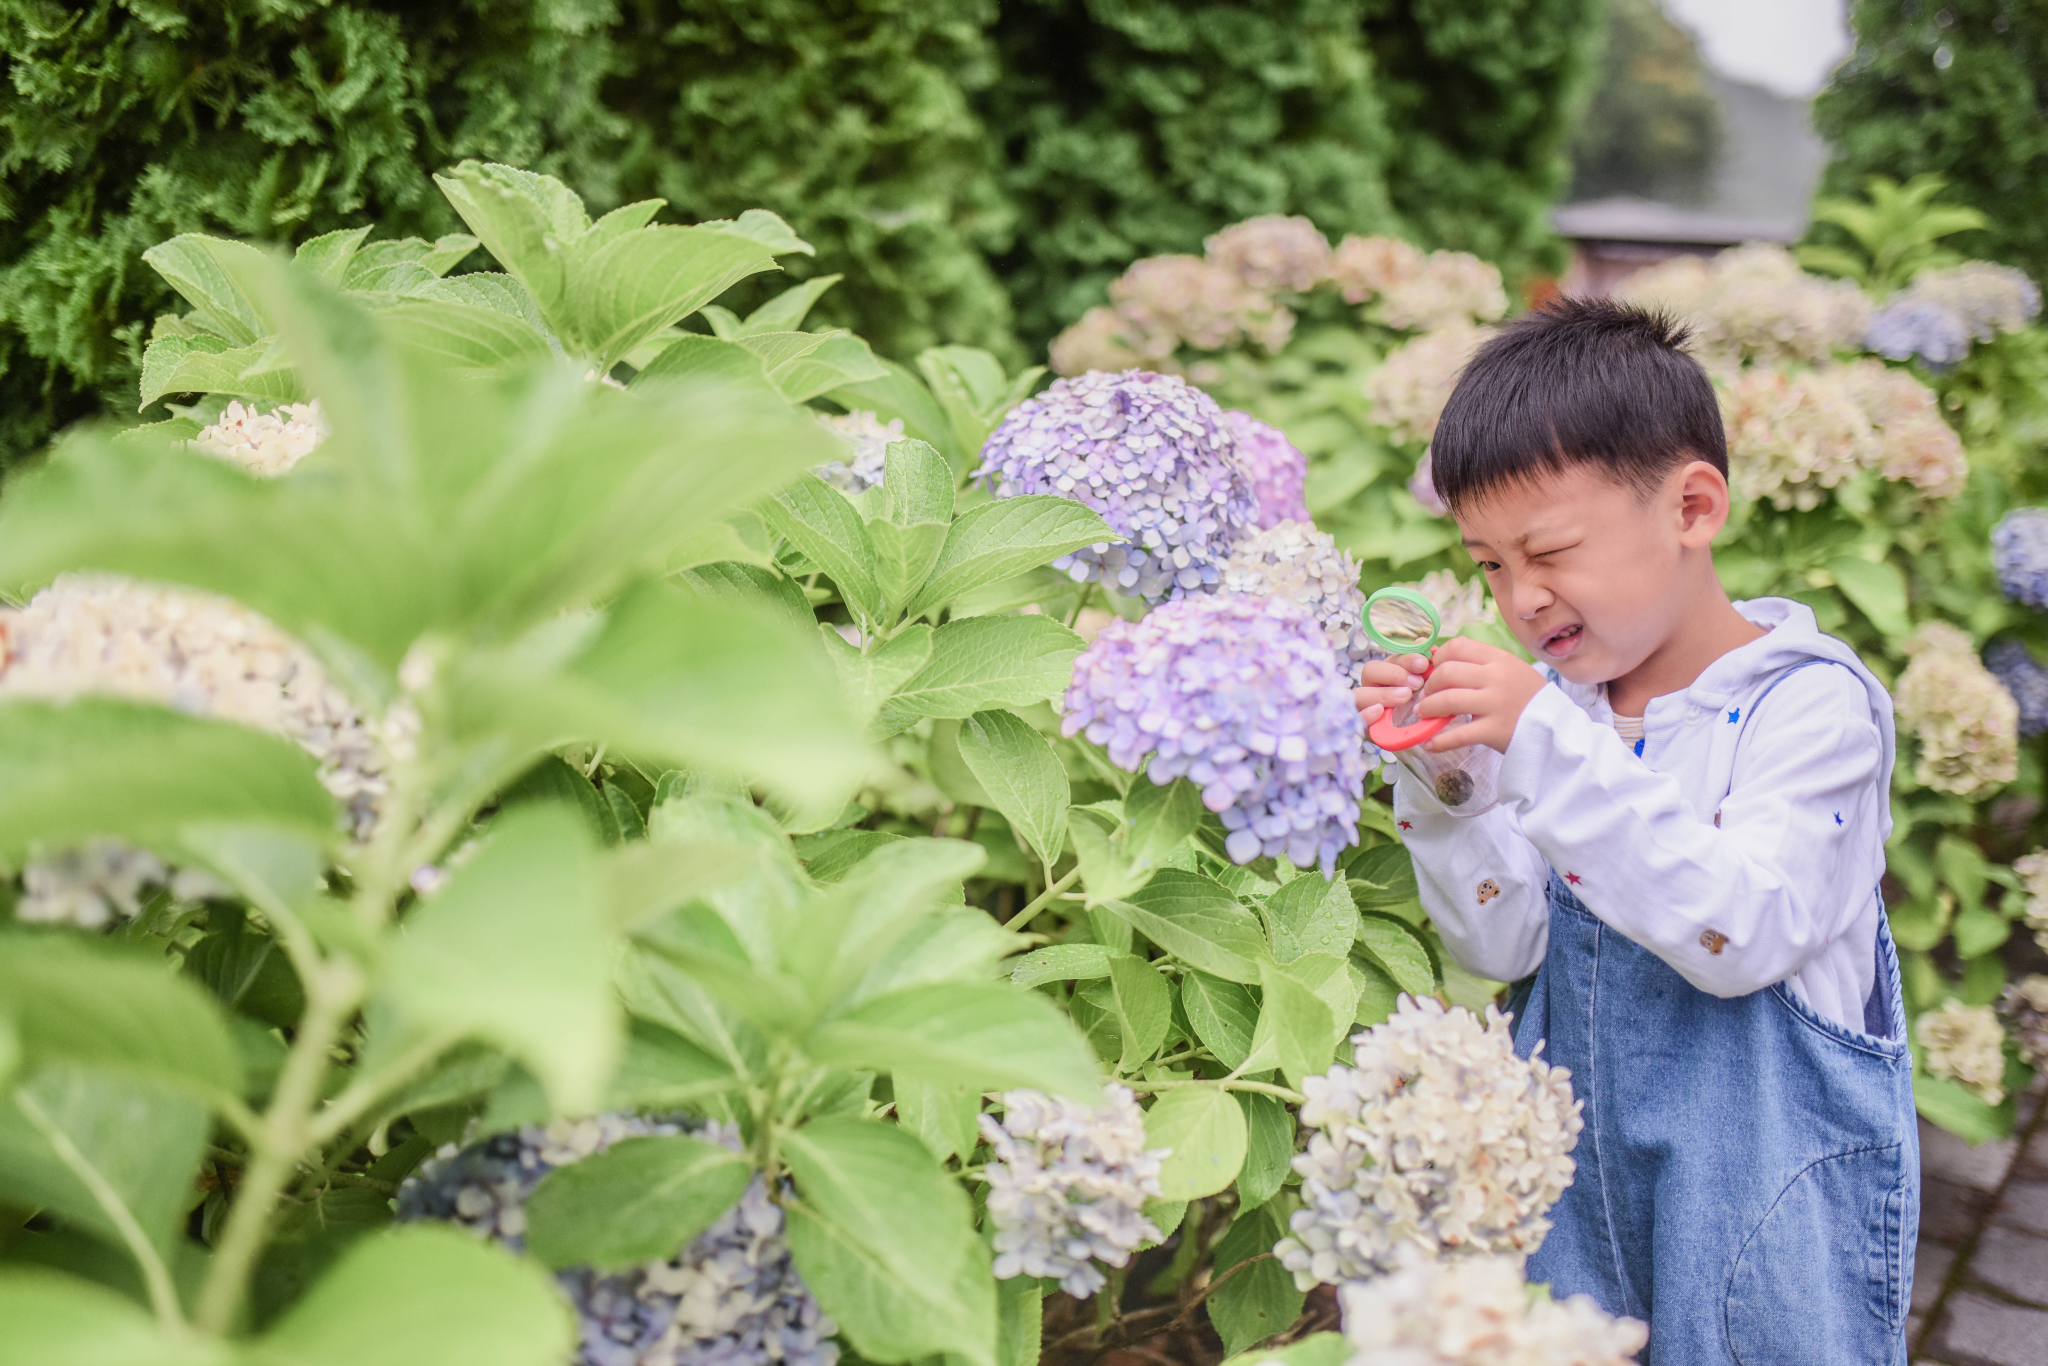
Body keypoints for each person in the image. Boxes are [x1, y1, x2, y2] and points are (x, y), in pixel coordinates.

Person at [1354, 298, 1917, 1365]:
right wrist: (1451, 786)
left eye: (1549, 550)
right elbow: (1504, 948)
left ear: (1691, 507)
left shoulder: (1808, 709)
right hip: (1569, 1192)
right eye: (1486, 566)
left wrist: (1537, 745)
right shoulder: (1561, 711)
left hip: (1759, 1209)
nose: (1520, 598)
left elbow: (1738, 931)